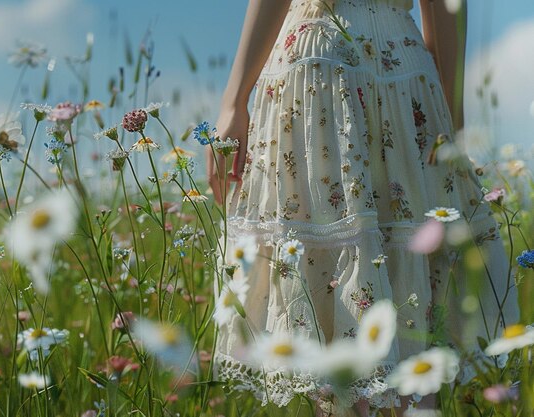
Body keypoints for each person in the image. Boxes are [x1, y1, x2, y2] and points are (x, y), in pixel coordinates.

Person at [206, 0, 519, 415]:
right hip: (398, 70)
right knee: (411, 310)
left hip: (319, 63)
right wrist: (451, 106)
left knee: (336, 307)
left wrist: (234, 100)